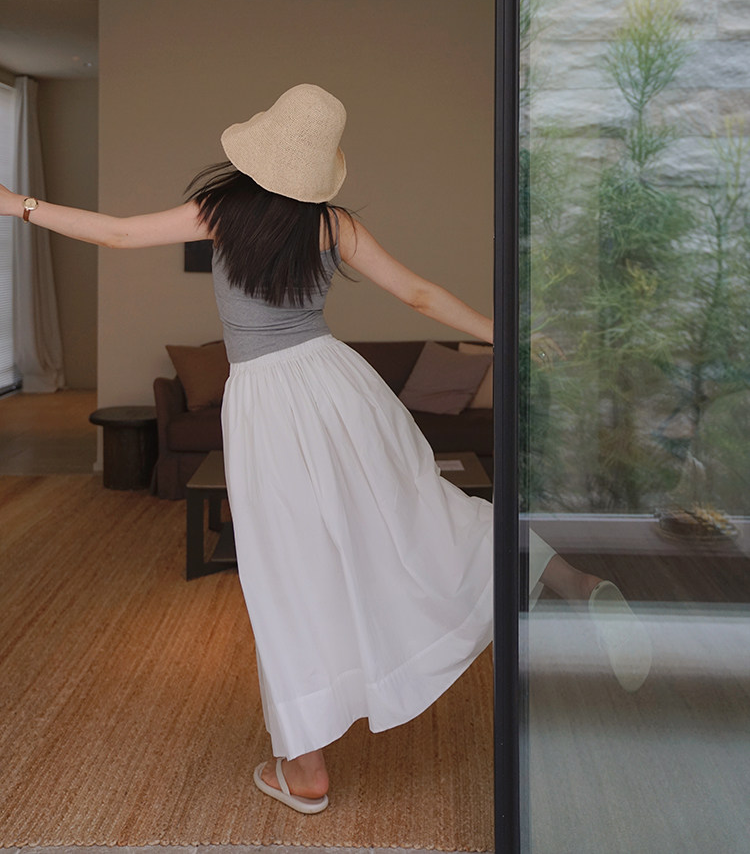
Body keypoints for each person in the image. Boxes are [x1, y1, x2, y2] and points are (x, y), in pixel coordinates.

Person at [1, 83, 650, 815]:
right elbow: (420, 295)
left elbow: (117, 234)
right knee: (420, 513)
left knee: (288, 569)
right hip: (340, 385)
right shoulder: (332, 223)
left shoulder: (221, 210)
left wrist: (17, 203)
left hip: (266, 401)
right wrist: (507, 336)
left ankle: (306, 767)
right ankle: (571, 580)